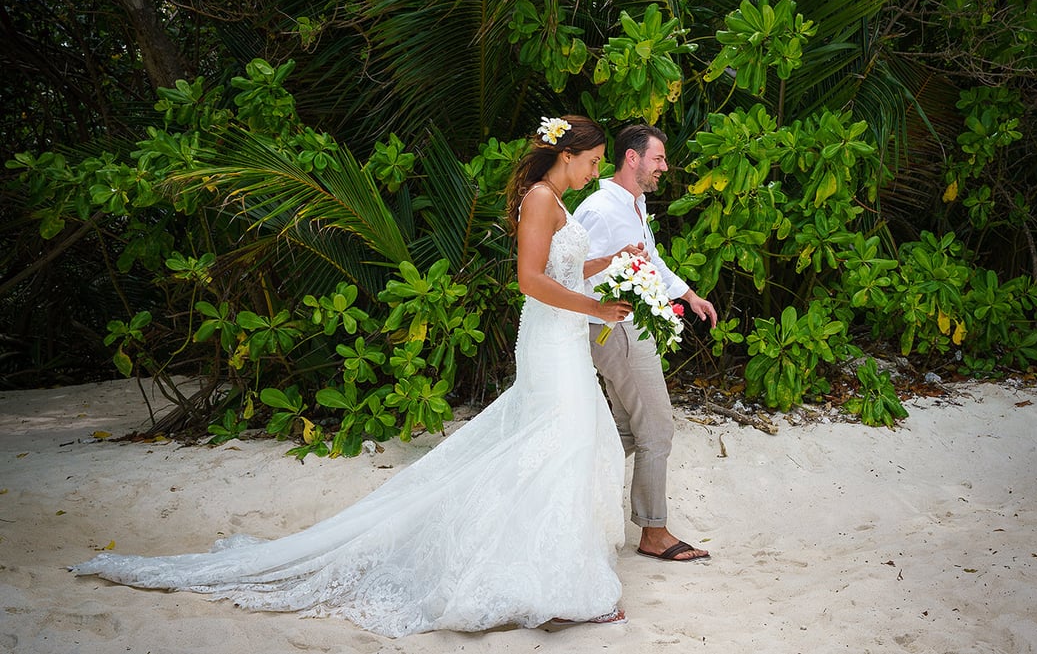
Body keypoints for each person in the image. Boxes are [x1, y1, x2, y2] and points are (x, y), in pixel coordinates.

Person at [71, 115, 640, 636]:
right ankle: (556, 588)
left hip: (564, 339)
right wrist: (596, 309)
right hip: (551, 340)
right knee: (560, 446)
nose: (597, 172)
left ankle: (553, 575)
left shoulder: (558, 203)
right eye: (593, 162)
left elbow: (563, 268)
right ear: (568, 155)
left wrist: (610, 266)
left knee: (567, 445)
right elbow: (529, 279)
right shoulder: (541, 198)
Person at [574, 123, 718, 563]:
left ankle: (575, 507)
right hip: (616, 330)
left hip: (629, 328)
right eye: (658, 158)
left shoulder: (633, 204)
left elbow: (649, 261)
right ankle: (653, 532)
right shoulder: (601, 208)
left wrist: (689, 295)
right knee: (657, 427)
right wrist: (606, 308)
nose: (664, 166)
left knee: (625, 432)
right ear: (632, 159)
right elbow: (575, 270)